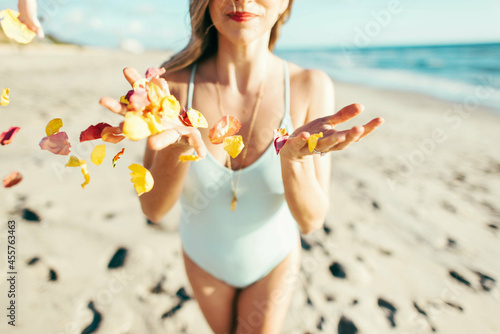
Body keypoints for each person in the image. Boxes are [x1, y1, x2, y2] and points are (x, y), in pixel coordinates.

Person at [101, 0, 384, 332]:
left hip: (274, 260)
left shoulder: (310, 86)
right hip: (204, 260)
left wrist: (293, 160)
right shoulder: (173, 87)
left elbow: (311, 220)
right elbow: (153, 209)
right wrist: (176, 150)